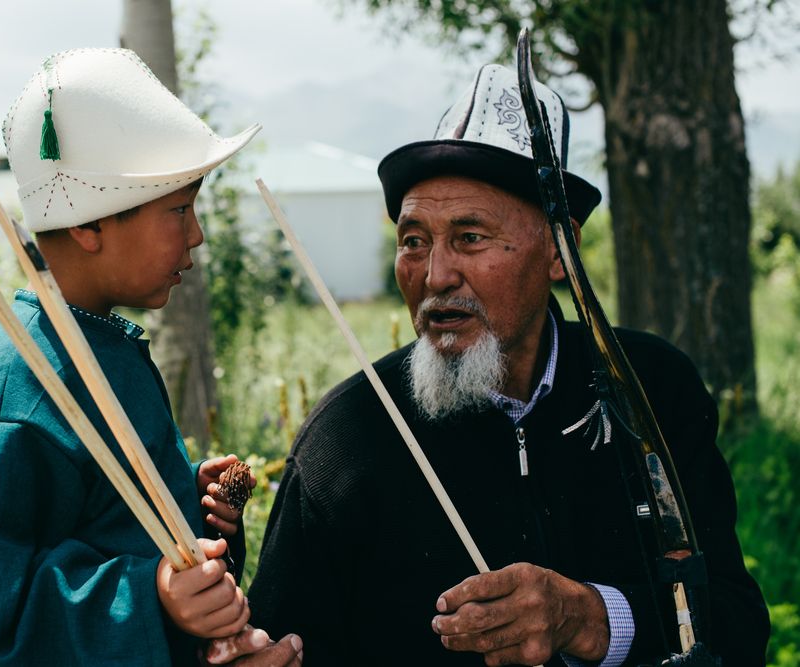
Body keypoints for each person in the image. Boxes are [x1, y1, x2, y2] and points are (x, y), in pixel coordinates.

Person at [247, 63, 769, 665]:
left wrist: (587, 617)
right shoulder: (349, 435)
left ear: (559, 250)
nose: (435, 276)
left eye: (470, 237)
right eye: (414, 240)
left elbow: (734, 626)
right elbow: (286, 638)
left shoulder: (649, 391)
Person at [0, 48, 301, 666]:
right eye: (179, 209)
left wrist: (195, 513)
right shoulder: (8, 391)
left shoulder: (105, 346)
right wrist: (149, 595)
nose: (197, 234)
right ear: (87, 225)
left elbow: (113, 523)